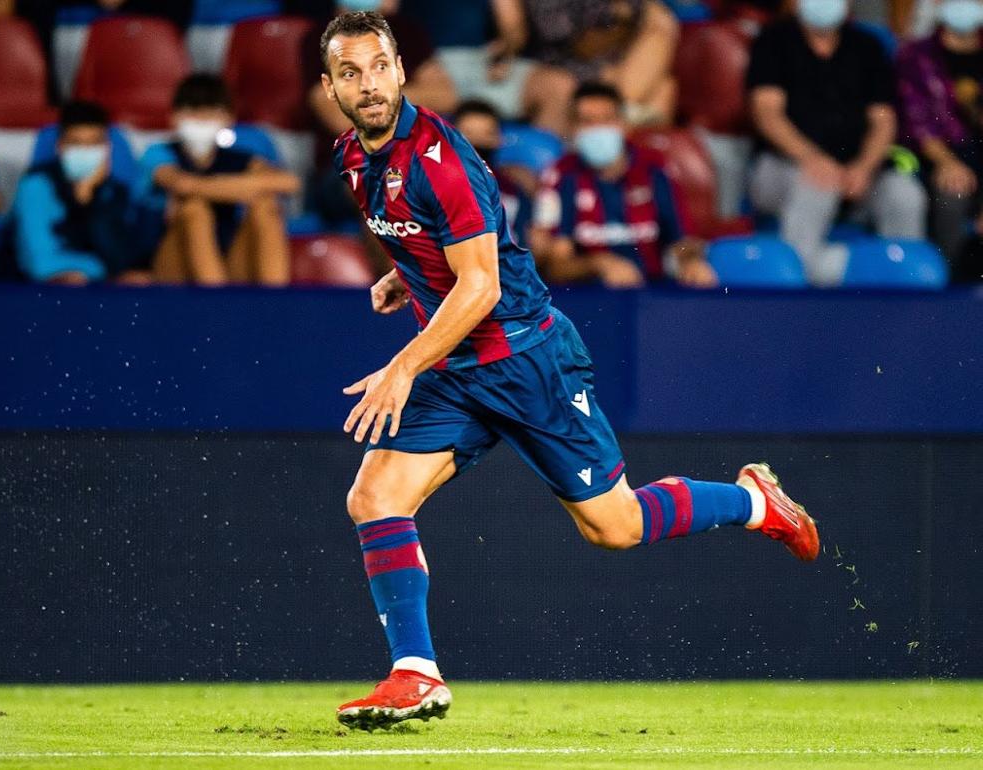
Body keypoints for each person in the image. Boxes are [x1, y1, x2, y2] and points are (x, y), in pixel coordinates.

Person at [320, 11, 820, 731]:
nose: (367, 84)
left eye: (377, 66)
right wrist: (411, 276)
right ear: (331, 85)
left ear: (401, 69)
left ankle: (752, 501)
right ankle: (415, 673)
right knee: (373, 496)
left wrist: (402, 365)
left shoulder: (440, 158)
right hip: (460, 361)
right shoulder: (355, 156)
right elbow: (434, 243)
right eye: (349, 72)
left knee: (614, 529)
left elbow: (484, 286)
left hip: (525, 358)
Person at [747, 0, 928, 286]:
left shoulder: (867, 45)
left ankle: (906, 291)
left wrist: (864, 167)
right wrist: (812, 158)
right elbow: (767, 114)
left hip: (858, 173)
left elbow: (884, 120)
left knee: (904, 194)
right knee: (819, 185)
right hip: (786, 167)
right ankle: (797, 289)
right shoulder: (773, 40)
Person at [531, 82, 717, 288]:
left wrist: (690, 261)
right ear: (572, 129)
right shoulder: (560, 176)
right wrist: (597, 264)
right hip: (589, 296)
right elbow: (555, 265)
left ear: (623, 123)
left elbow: (682, 240)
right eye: (587, 121)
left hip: (653, 292)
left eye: (607, 119)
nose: (598, 129)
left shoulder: (654, 168)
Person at [302, 0, 457, 228]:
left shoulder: (405, 31)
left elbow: (446, 96)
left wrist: (367, 97)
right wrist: (404, 95)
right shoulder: (321, 38)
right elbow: (338, 118)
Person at [135, 75, 300, 286]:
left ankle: (276, 303)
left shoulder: (237, 158)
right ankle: (217, 303)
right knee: (193, 209)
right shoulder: (159, 153)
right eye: (194, 112)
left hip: (227, 261)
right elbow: (180, 183)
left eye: (211, 113)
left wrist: (200, 186)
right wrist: (245, 187)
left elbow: (288, 182)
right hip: (170, 262)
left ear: (229, 118)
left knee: (265, 206)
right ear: (174, 117)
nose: (202, 120)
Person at [12, 101, 146, 285]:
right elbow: (39, 264)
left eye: (94, 143)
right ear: (60, 146)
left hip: (98, 292)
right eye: (76, 143)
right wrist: (94, 270)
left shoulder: (114, 191)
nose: (85, 151)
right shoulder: (37, 185)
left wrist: (90, 198)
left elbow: (121, 260)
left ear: (107, 148)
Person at [897, 0, 983, 277]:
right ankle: (951, 282)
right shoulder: (917, 55)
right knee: (953, 190)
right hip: (939, 156)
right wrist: (948, 162)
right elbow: (918, 122)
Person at [401, 0, 575, 135]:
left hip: (483, 63)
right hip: (422, 65)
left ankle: (544, 169)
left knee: (558, 86)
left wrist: (503, 55)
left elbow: (513, 29)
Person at [523, 0, 680, 126]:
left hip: (618, 65)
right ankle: (619, 116)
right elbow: (584, 48)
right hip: (562, 66)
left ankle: (629, 144)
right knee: (657, 90)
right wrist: (622, 17)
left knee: (665, 87)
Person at [451, 99, 535, 247]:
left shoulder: (513, 190)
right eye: (468, 134)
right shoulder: (429, 185)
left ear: (499, 139)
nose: (476, 142)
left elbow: (522, 243)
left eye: (486, 134)